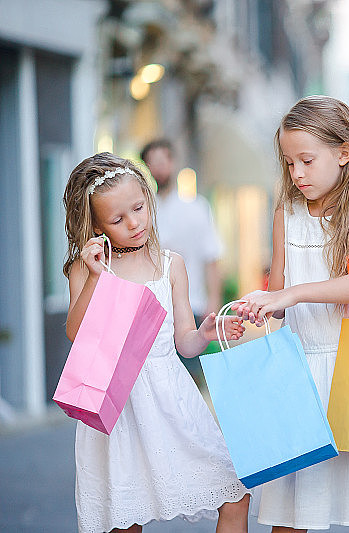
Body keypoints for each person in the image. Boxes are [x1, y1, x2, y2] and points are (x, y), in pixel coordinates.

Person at [233, 95, 349, 532]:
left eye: (307, 161)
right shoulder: (285, 214)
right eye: (288, 162)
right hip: (298, 372)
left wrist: (293, 295)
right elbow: (277, 293)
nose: (296, 174)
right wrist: (254, 308)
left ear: (344, 153)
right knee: (291, 515)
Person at [63, 152, 250, 533]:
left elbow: (183, 342)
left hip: (171, 400)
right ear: (97, 225)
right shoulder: (90, 267)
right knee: (124, 520)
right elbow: (75, 333)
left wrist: (204, 334)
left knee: (234, 492)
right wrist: (97, 278)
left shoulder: (170, 264)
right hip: (116, 406)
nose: (134, 223)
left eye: (138, 207)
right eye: (117, 219)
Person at [141, 139, 224, 382]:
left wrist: (214, 300)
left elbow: (212, 256)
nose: (158, 167)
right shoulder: (143, 210)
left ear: (173, 162)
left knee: (191, 375)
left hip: (192, 302)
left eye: (162, 160)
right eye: (152, 162)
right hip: (152, 307)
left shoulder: (196, 207)